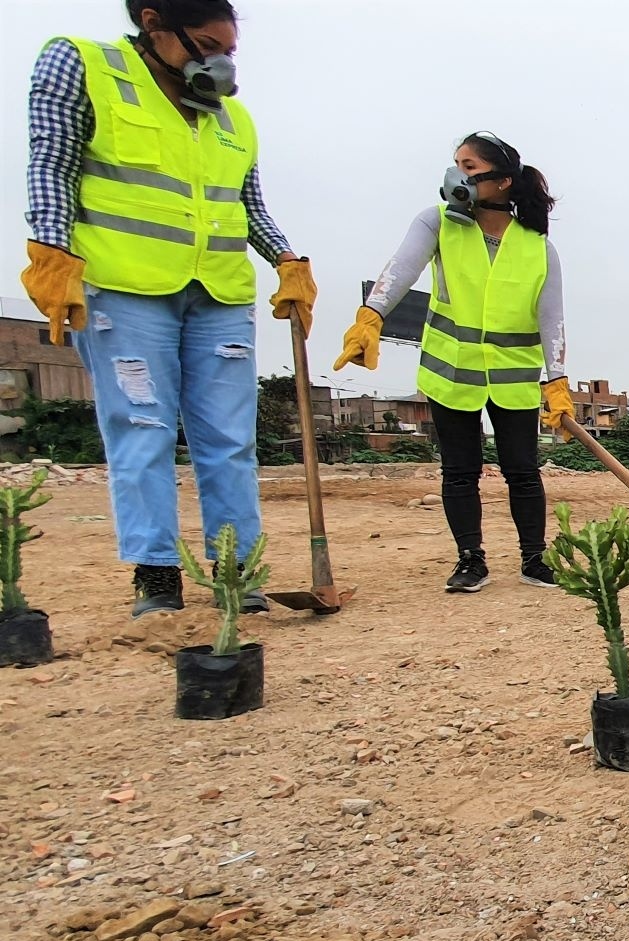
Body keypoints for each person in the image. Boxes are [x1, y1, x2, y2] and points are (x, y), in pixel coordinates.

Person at [21, 0, 313, 617]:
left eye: (228, 52)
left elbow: (248, 205)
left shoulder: (232, 118)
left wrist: (287, 259)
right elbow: (51, 165)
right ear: (154, 23)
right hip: (125, 287)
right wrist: (51, 250)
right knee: (142, 428)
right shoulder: (84, 66)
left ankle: (235, 571)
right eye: (206, 46)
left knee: (230, 440)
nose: (219, 62)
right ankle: (156, 575)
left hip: (219, 293)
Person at [333, 133, 567, 593]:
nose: (458, 174)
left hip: (514, 377)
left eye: (469, 165)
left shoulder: (538, 246)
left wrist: (557, 380)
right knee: (460, 471)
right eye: (457, 164)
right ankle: (470, 559)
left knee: (523, 471)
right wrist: (371, 315)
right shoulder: (438, 223)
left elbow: (551, 317)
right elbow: (401, 269)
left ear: (502, 180)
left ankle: (534, 559)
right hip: (451, 370)